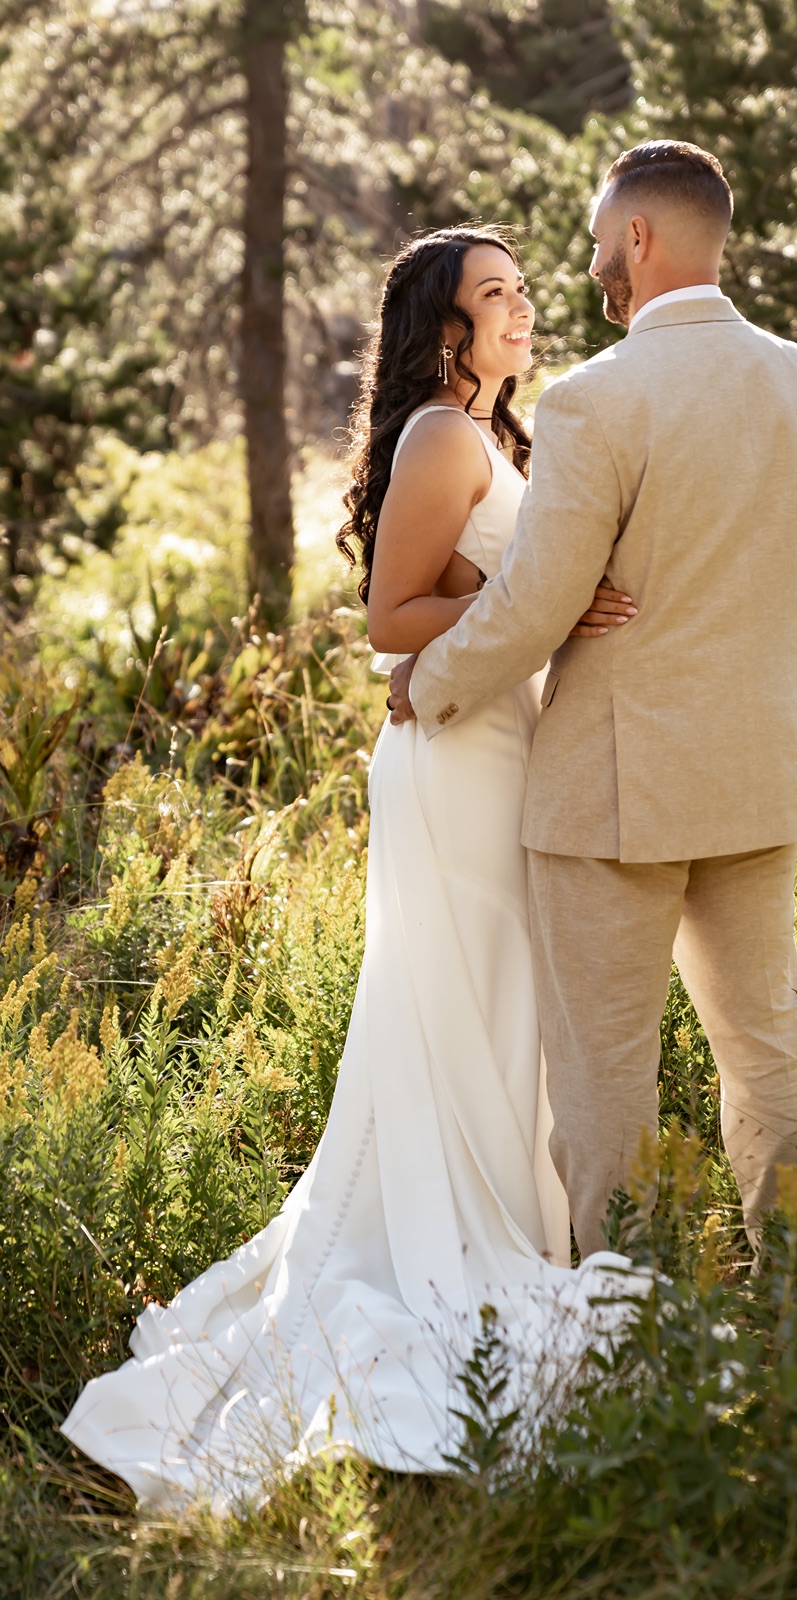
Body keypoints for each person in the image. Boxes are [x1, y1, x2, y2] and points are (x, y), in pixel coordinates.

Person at [60, 227, 637, 1513]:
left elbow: (486, 605)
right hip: (452, 760)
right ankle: (446, 1247)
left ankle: (509, 1225)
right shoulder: (441, 435)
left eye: (523, 290)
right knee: (456, 1001)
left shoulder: (504, 435)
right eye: (496, 296)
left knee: (501, 1001)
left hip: (502, 743)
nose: (522, 310)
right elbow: (391, 615)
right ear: (445, 328)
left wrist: (549, 591)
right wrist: (528, 588)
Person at [389, 141, 797, 1261]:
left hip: (609, 791)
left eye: (600, 238)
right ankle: (793, 1290)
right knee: (767, 1045)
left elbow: (539, 600)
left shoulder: (596, 400)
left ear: (641, 240)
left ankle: (624, 1312)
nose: (592, 261)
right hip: (758, 778)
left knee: (604, 1065)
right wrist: (791, 728)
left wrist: (435, 680)